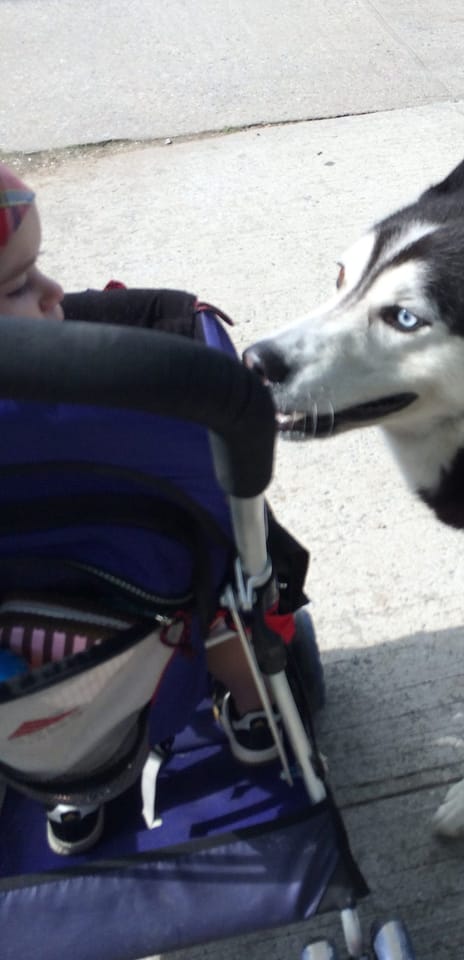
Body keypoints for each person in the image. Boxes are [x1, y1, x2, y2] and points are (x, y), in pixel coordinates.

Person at [0, 162, 282, 854]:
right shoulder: (109, 415)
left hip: (22, 682)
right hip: (151, 628)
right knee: (223, 602)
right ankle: (253, 715)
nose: (55, 291)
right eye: (18, 284)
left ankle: (68, 793)